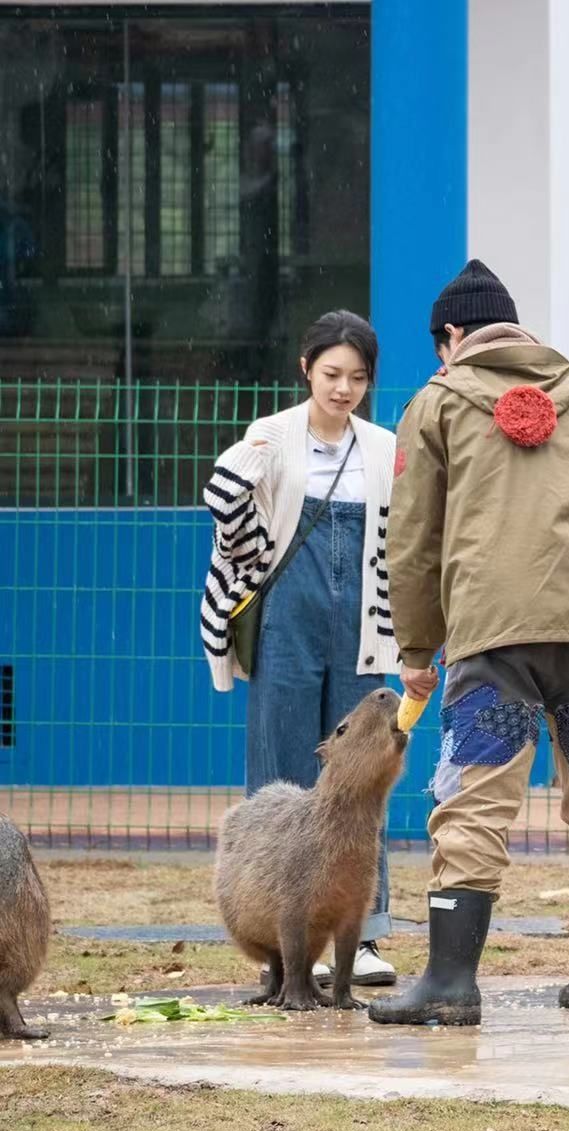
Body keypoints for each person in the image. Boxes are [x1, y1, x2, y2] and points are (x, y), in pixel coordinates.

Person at [373, 260, 569, 1026]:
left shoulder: (437, 403)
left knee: (476, 799)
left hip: (494, 635)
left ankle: (451, 981)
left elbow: (412, 539)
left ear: (451, 337)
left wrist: (416, 647)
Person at [200, 310, 403, 990]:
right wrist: (246, 472)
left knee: (365, 776)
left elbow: (400, 540)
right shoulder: (272, 435)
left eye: (357, 378)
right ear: (306, 369)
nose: (343, 389)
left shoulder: (382, 446)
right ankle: (273, 945)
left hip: (363, 622)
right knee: (281, 771)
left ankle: (363, 933)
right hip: (286, 618)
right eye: (332, 374)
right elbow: (224, 507)